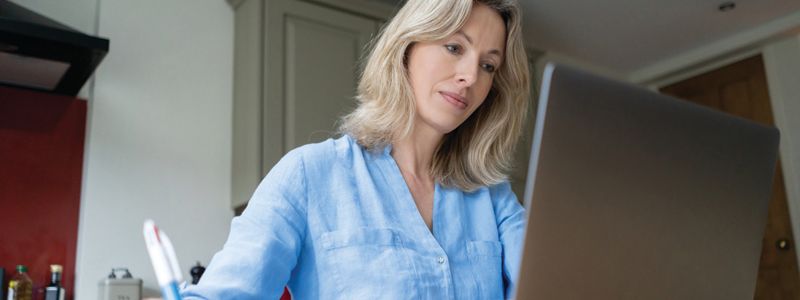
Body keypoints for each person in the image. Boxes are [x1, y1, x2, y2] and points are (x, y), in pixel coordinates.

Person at [182, 0, 530, 298]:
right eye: (454, 47)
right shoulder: (309, 175)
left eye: (488, 66)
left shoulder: (494, 199)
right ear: (406, 47)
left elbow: (559, 284)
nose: (470, 75)